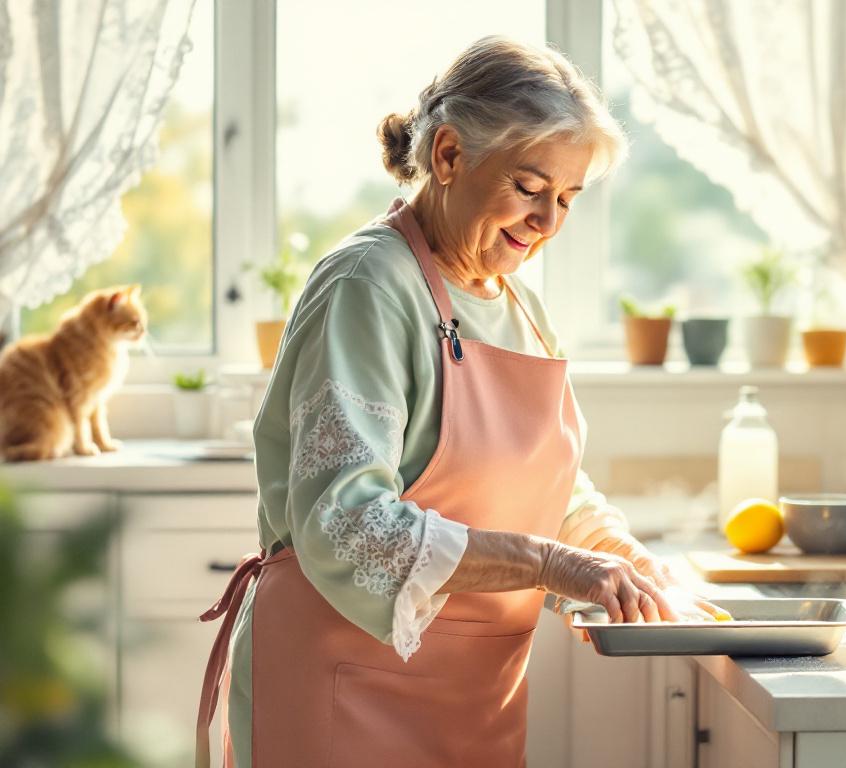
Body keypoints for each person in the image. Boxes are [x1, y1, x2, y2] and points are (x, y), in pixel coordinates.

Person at [196, 36, 715, 767]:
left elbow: (548, 488)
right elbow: (346, 522)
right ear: (447, 155)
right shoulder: (367, 285)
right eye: (530, 187)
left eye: (567, 199)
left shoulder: (521, 305)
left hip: (476, 700)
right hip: (343, 688)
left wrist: (628, 563)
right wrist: (552, 563)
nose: (548, 222)